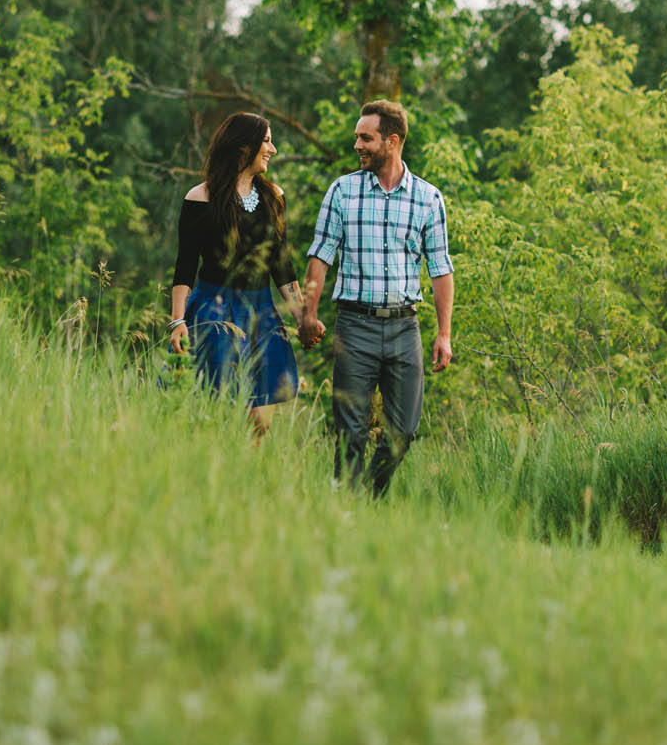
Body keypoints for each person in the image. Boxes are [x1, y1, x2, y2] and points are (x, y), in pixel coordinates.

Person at [299, 99, 454, 496]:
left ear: (392, 140)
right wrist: (308, 314)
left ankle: (369, 494)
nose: (358, 146)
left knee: (404, 431)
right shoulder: (342, 191)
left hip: (405, 327)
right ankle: (346, 508)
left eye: (365, 138)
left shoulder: (428, 199)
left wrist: (444, 334)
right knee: (350, 430)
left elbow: (440, 269)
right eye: (356, 137)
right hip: (354, 326)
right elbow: (320, 255)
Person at [170, 112, 305, 436]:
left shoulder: (274, 196)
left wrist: (304, 318)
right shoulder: (200, 198)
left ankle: (251, 478)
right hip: (214, 311)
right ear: (244, 148)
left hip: (262, 314)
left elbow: (282, 266)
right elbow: (185, 265)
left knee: (260, 420)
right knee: (220, 411)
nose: (272, 149)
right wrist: (177, 321)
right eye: (267, 141)